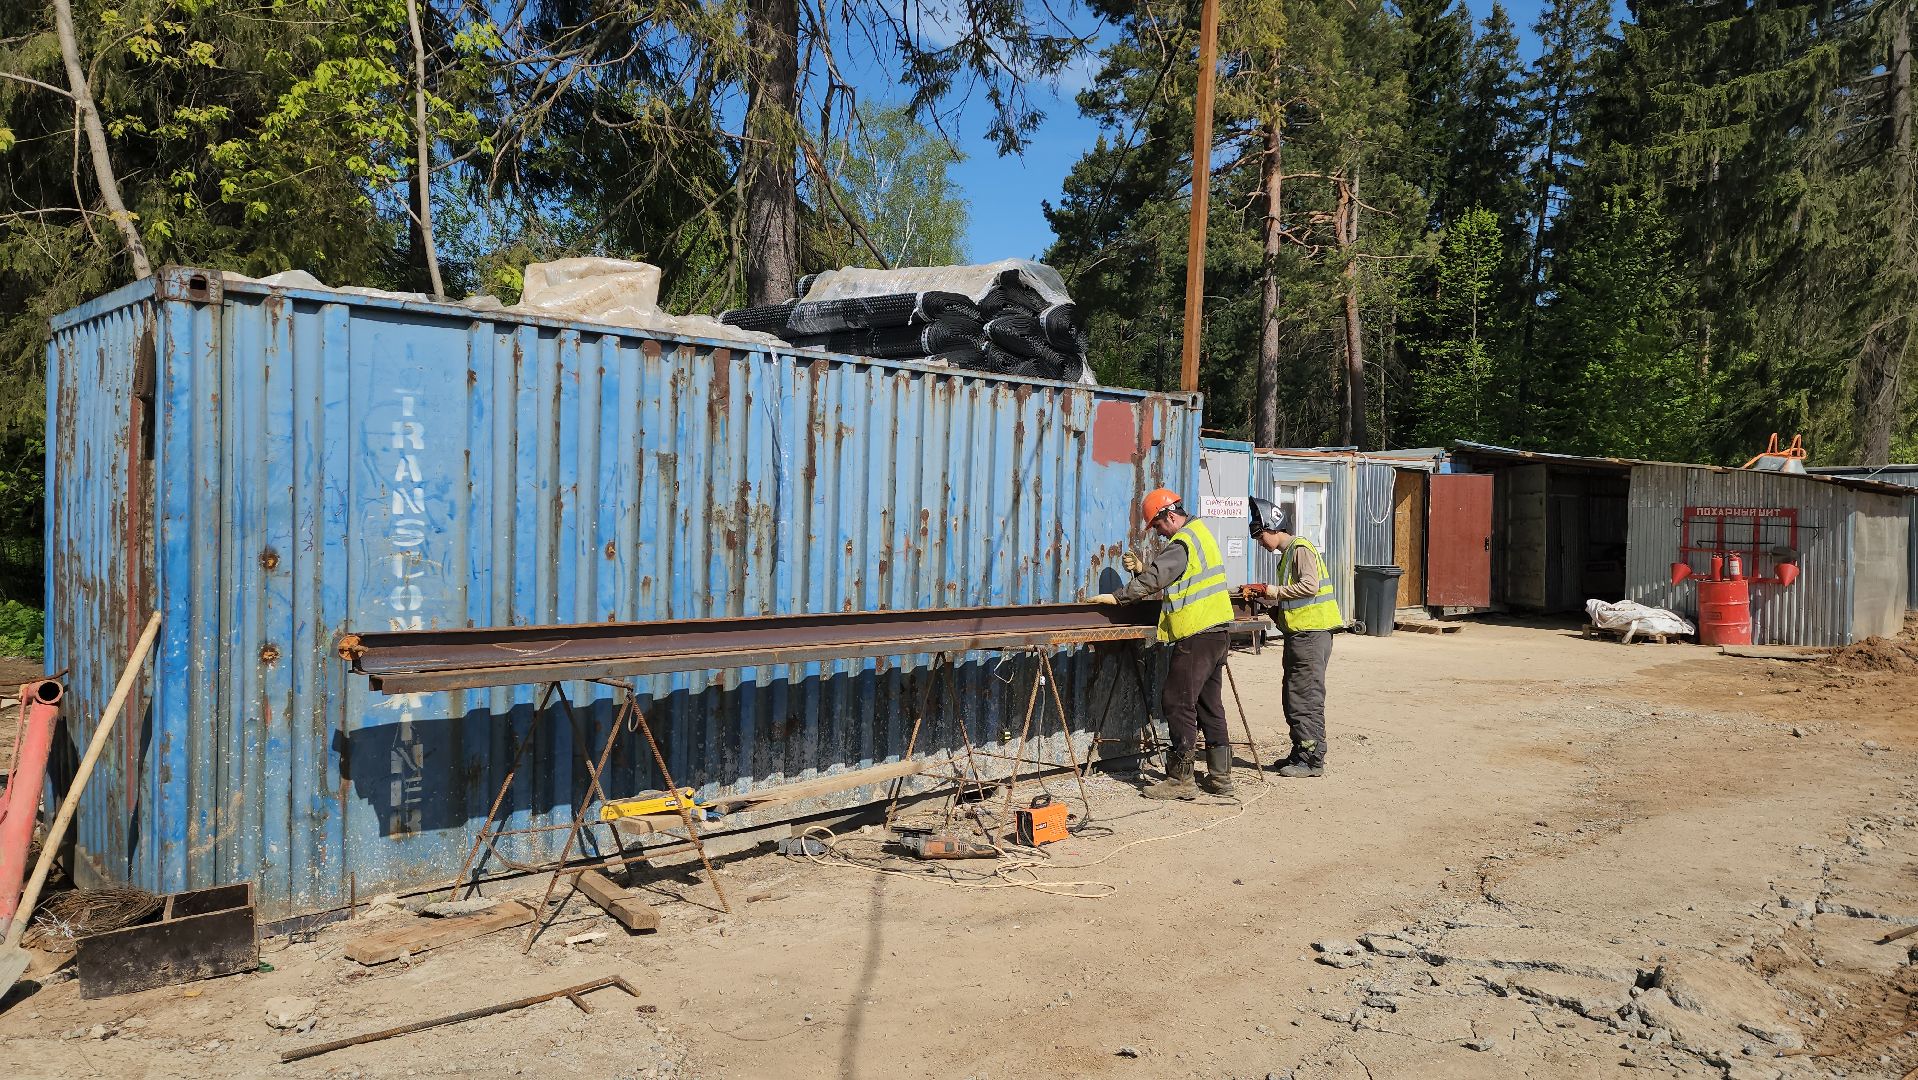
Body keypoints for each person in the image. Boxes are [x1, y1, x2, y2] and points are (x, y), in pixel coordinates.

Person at [1089, 488, 1237, 799]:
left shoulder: (1182, 541)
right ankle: (1221, 777)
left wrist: (1118, 596)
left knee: (1177, 700)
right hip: (1217, 630)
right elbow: (1179, 575)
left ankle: (1180, 779)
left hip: (1197, 631)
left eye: (1157, 527)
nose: (1157, 533)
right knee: (1209, 703)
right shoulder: (1200, 534)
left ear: (1170, 516)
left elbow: (1158, 578)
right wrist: (1146, 570)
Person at [1242, 497, 1341, 777]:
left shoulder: (1300, 549)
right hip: (1300, 636)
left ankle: (1311, 760)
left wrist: (1272, 591)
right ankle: (1301, 751)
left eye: (1261, 535)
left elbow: (1309, 586)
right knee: (1293, 696)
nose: (1260, 542)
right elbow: (1292, 602)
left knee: (1305, 697)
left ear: (1273, 528)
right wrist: (1266, 602)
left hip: (1311, 636)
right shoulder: (1288, 556)